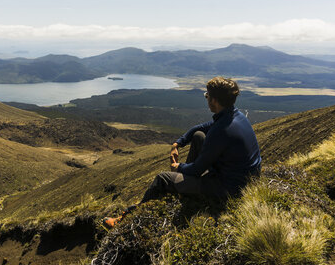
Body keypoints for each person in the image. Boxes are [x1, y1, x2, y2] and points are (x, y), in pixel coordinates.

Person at [103, 76, 261, 228]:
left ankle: (125, 220)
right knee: (199, 137)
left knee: (163, 178)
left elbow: (198, 168)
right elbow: (201, 128)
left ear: (213, 100)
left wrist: (178, 167)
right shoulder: (236, 116)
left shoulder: (221, 131)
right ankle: (185, 186)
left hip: (229, 190)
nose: (206, 99)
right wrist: (178, 143)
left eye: (207, 96)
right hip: (244, 180)